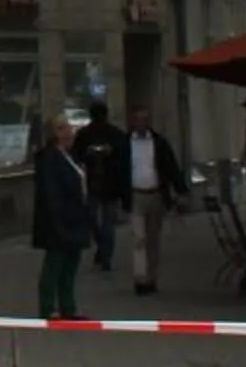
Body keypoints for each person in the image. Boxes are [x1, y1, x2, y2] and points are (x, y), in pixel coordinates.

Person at [121, 107, 190, 294]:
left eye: (145, 119)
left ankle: (151, 277)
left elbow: (171, 167)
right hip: (136, 195)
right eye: (138, 119)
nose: (141, 123)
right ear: (132, 122)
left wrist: (181, 191)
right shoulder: (125, 143)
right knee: (138, 238)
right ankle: (140, 279)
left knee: (153, 239)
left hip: (156, 195)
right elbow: (119, 169)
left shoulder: (159, 143)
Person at [31, 117, 94, 321]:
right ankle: (47, 307)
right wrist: (57, 218)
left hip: (75, 217)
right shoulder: (49, 157)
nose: (69, 132)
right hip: (59, 221)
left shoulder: (70, 155)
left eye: (69, 128)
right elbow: (51, 192)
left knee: (70, 265)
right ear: (54, 134)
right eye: (62, 129)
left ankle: (68, 306)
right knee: (54, 265)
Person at [70, 101, 126, 274]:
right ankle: (104, 250)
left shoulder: (113, 134)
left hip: (104, 184)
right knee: (98, 220)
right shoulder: (86, 134)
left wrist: (111, 152)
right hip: (97, 183)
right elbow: (76, 156)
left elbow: (123, 156)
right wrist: (88, 154)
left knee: (100, 220)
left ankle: (105, 255)